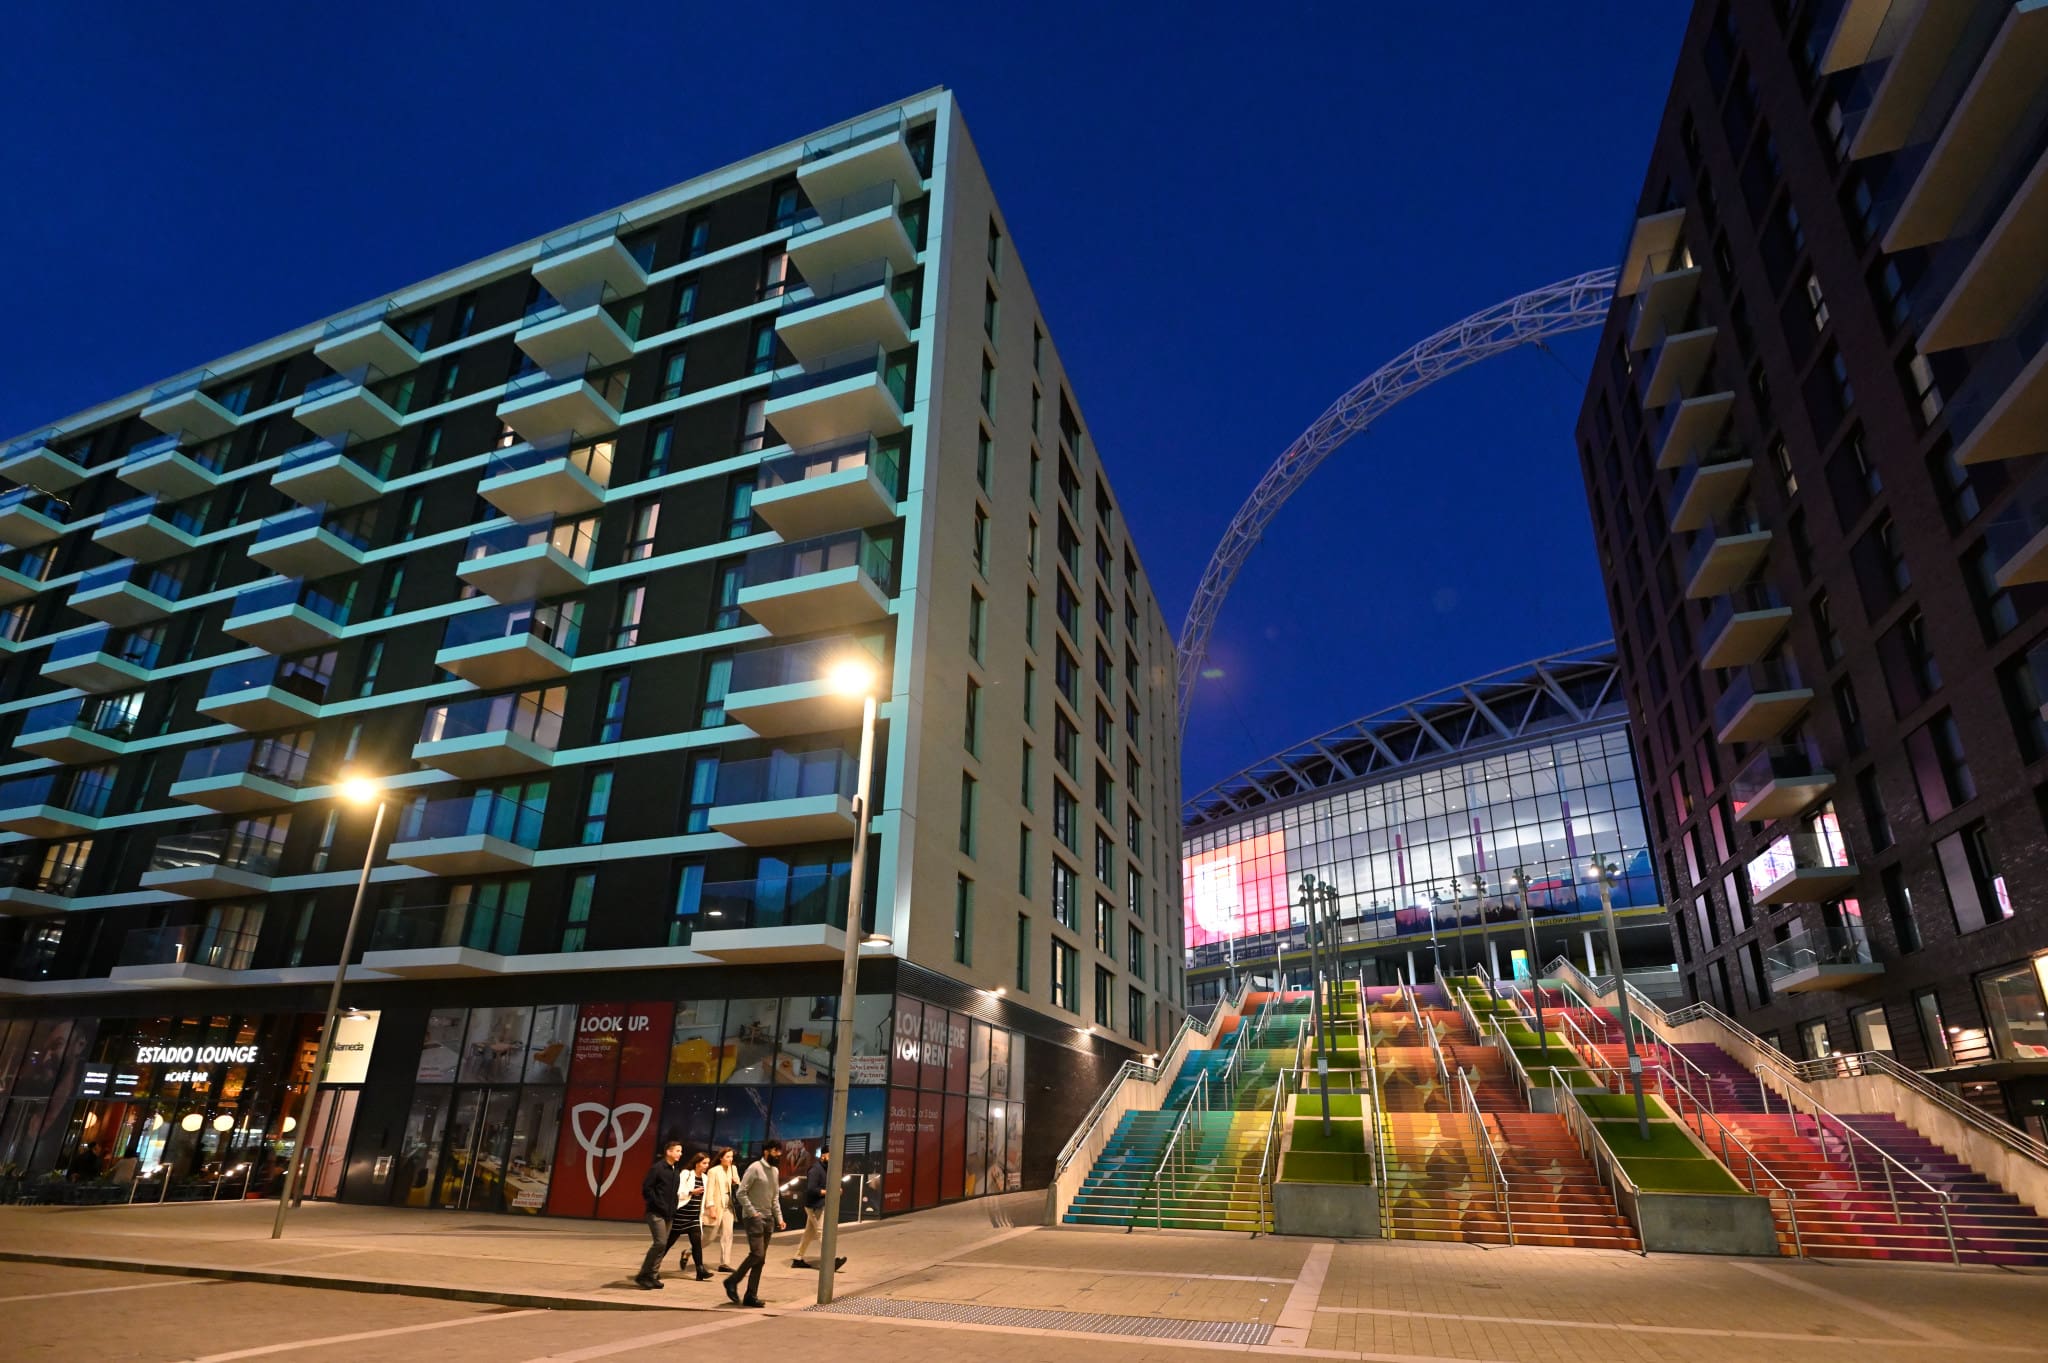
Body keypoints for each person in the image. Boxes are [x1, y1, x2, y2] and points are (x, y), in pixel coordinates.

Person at [723, 1139, 783, 1308]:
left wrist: (779, 1217)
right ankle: (731, 1281)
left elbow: (775, 1197)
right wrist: (753, 1213)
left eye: (779, 1151)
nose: (778, 1154)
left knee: (761, 1259)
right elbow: (741, 1193)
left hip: (768, 1218)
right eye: (775, 1151)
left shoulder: (775, 1171)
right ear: (766, 1151)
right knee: (757, 1254)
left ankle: (751, 1295)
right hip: (754, 1218)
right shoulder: (755, 1168)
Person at [635, 1139, 684, 1290]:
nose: (680, 1154)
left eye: (681, 1151)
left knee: (662, 1246)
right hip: (656, 1212)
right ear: (668, 1152)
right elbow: (647, 1189)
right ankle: (643, 1275)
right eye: (677, 1151)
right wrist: (658, 1204)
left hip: (669, 1214)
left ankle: (653, 1275)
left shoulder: (675, 1170)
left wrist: (673, 1207)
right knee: (660, 1242)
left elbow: (674, 1193)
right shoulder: (658, 1168)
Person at [791, 1145, 845, 1270]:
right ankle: (831, 1261)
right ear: (823, 1155)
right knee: (823, 1233)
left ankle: (797, 1259)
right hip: (814, 1206)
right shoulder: (815, 1170)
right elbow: (811, 1189)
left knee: (809, 1234)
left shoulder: (825, 1169)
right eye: (831, 1156)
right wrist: (830, 1191)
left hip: (817, 1205)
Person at [664, 1151, 713, 1281]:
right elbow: (678, 1192)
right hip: (681, 1215)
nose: (706, 1166)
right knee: (668, 1243)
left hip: (694, 1217)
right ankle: (652, 1267)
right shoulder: (686, 1174)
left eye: (707, 1163)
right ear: (697, 1163)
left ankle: (700, 1270)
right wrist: (692, 1192)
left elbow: (705, 1198)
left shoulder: (705, 1178)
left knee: (697, 1244)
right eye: (704, 1163)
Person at [703, 1147, 737, 1271]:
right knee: (709, 1237)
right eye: (728, 1157)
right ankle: (689, 1251)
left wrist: (735, 1182)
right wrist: (711, 1208)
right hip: (717, 1207)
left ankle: (724, 1264)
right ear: (721, 1157)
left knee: (728, 1235)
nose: (730, 1159)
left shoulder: (733, 1169)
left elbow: (738, 1185)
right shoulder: (713, 1171)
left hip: (729, 1206)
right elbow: (709, 1191)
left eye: (731, 1157)